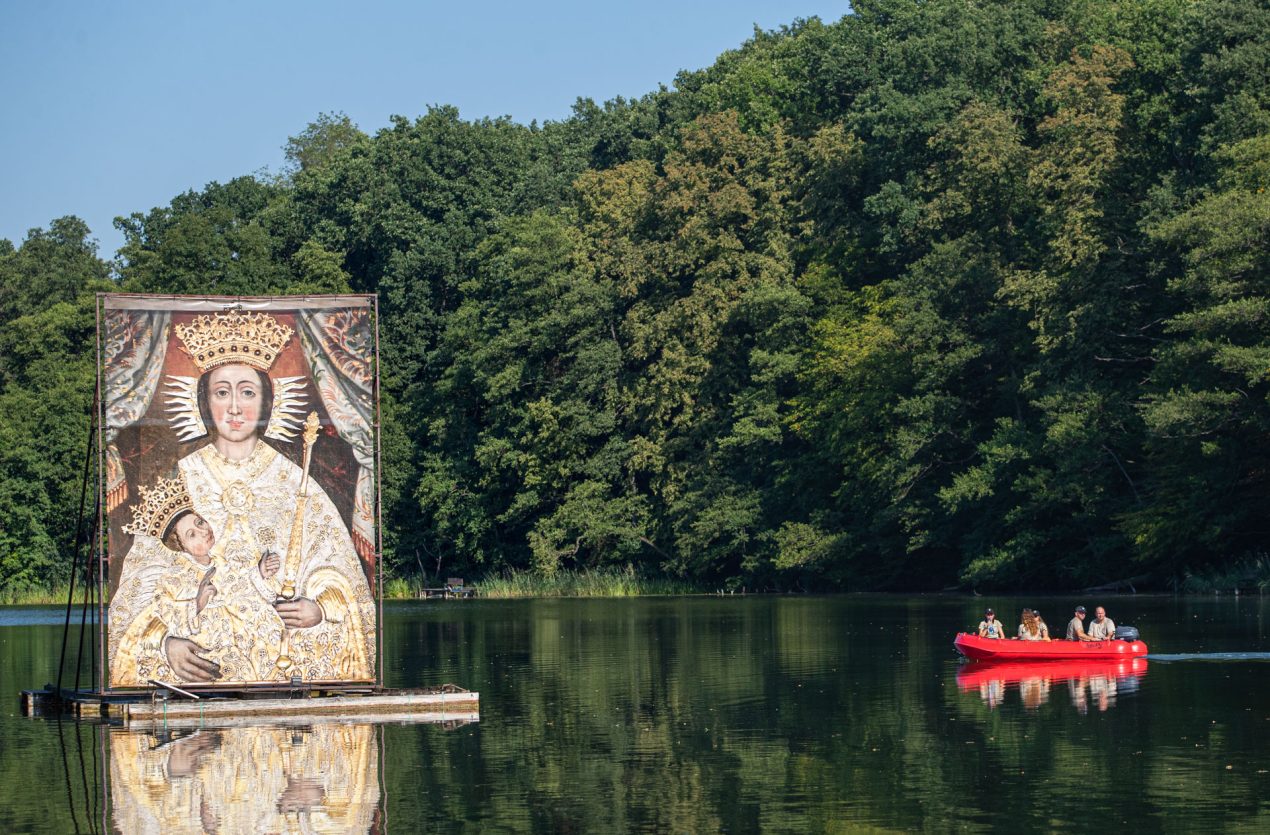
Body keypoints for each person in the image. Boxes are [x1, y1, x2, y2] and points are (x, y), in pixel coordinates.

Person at [110, 310, 376, 685]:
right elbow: (141, 583)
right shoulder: (181, 479)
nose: (234, 407)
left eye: (247, 392)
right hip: (202, 655)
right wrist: (163, 642)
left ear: (267, 402)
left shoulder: (295, 481)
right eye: (222, 392)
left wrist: (320, 608)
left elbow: (336, 568)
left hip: (285, 661)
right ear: (204, 403)